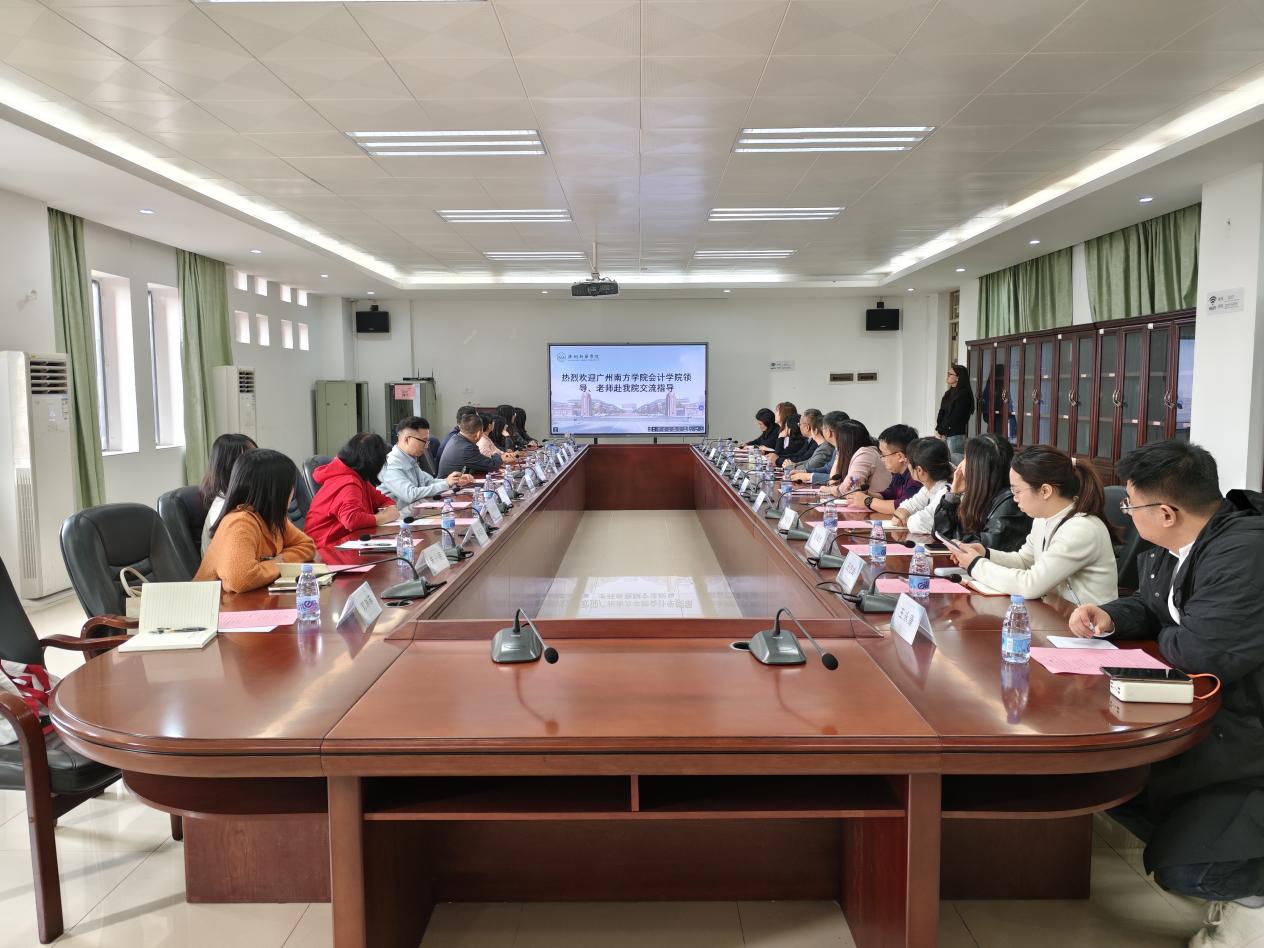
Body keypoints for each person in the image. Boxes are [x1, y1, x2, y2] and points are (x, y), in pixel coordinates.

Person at [1065, 441, 1264, 948]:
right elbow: (1154, 609)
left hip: (1248, 733)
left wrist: (1165, 635)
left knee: (1190, 868)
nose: (1126, 514)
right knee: (1105, 783)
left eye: (1132, 505)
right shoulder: (1175, 546)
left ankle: (1252, 900)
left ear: (1167, 512)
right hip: (1213, 719)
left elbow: (1206, 653)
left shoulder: (1245, 552)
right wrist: (1111, 616)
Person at [949, 444, 1117, 603]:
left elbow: (1030, 585)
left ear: (1045, 491)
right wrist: (986, 554)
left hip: (1083, 621)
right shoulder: (1043, 518)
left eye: (1017, 491)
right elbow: (1025, 561)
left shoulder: (1081, 529)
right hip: (1055, 613)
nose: (1014, 498)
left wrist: (975, 564)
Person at [195, 449, 315, 593]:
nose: (293, 491)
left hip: (247, 599)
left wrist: (280, 560)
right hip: (214, 603)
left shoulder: (273, 517)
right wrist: (277, 564)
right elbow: (241, 580)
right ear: (276, 491)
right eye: (290, 486)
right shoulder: (240, 523)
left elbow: (307, 546)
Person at [934, 433, 1030, 552]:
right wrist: (952, 495)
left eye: (966, 458)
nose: (960, 465)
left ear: (977, 468)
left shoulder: (1010, 503)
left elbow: (980, 549)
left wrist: (956, 540)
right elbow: (940, 535)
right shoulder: (979, 495)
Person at [303, 433, 399, 548]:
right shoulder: (348, 483)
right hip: (325, 549)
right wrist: (385, 517)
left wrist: (390, 509)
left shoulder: (357, 478)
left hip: (346, 541)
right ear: (373, 463)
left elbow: (383, 500)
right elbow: (351, 520)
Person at [379, 416, 473, 507]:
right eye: (423, 441)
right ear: (407, 439)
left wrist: (454, 481)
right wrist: (446, 483)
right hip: (398, 515)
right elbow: (410, 494)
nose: (426, 446)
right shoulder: (391, 464)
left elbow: (430, 482)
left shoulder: (410, 459)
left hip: (414, 511)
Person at [199, 433, 257, 553]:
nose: (259, 464)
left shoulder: (244, 499)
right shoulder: (223, 509)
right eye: (251, 460)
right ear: (231, 467)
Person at [844, 424, 922, 513]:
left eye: (884, 455)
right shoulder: (898, 474)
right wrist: (864, 493)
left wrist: (867, 501)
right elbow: (887, 495)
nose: (882, 459)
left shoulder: (916, 476)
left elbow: (903, 506)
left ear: (900, 456)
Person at [888, 437, 952, 534]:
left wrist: (906, 518)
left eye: (908, 462)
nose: (907, 466)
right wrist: (902, 510)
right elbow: (912, 504)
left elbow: (919, 523)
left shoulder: (946, 492)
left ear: (919, 470)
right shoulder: (930, 487)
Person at [817, 419, 891, 497]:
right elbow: (833, 482)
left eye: (838, 440)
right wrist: (839, 454)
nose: (837, 444)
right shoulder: (861, 453)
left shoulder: (865, 454)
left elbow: (847, 490)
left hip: (876, 503)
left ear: (845, 442)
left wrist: (828, 490)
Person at [438, 411, 505, 477]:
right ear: (478, 434)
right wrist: (498, 455)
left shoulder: (455, 438)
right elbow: (493, 466)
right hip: (449, 483)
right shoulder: (467, 448)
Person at [936, 363, 974, 456]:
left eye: (950, 374)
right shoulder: (948, 393)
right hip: (944, 433)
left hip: (955, 435)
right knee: (944, 460)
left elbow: (956, 416)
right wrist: (939, 428)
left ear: (958, 377)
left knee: (955, 460)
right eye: (948, 373)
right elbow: (942, 412)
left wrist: (943, 429)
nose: (948, 376)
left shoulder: (964, 394)